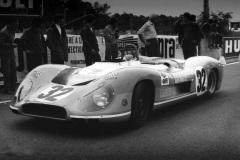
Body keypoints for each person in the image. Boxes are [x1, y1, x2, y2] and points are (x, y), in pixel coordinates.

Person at [0, 18, 18, 94]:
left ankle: (13, 87)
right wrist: (11, 45)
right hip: (5, 54)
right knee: (7, 72)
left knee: (13, 70)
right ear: (12, 23)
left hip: (11, 53)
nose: (17, 24)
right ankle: (7, 89)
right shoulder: (4, 32)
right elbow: (1, 44)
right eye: (16, 22)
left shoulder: (12, 29)